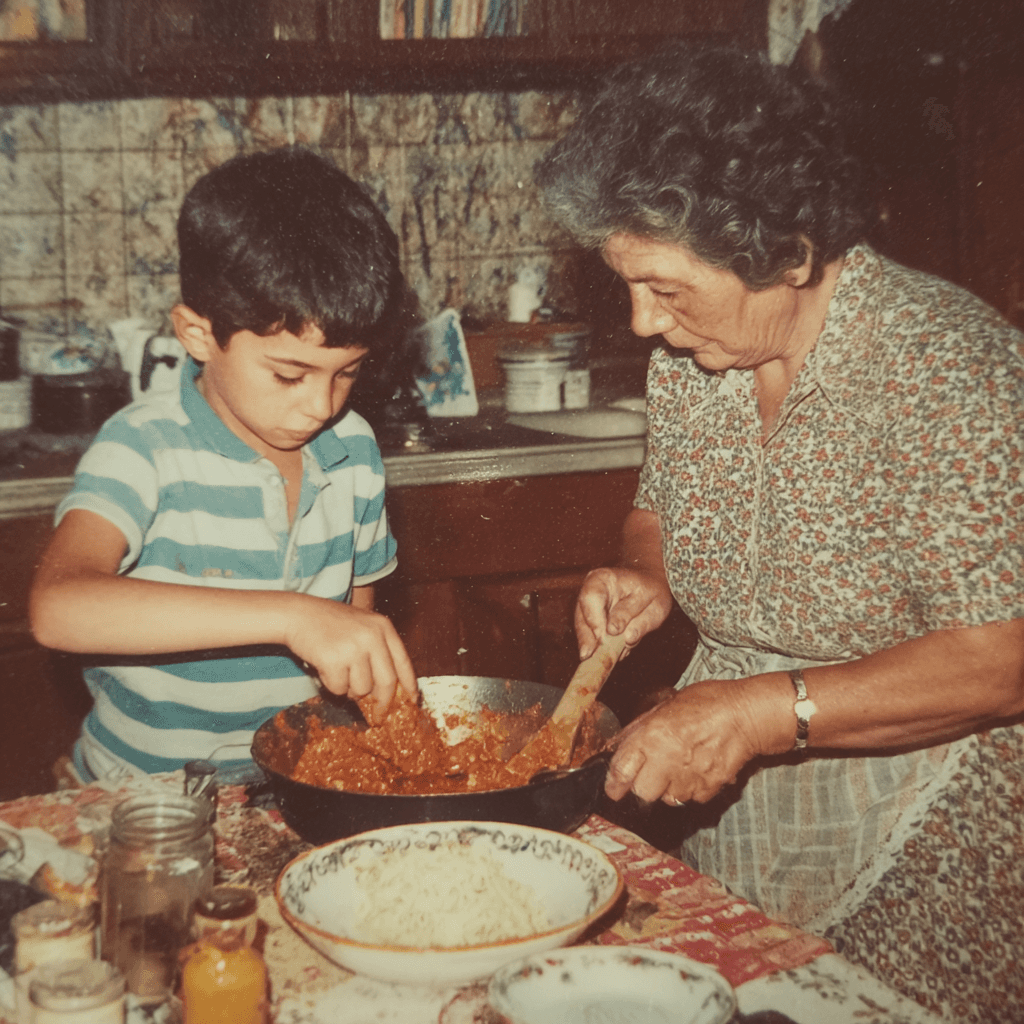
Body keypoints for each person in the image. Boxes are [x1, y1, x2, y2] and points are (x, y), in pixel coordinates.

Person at [536, 43, 1024, 1022]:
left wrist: (758, 712)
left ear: (790, 255)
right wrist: (642, 575)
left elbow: (1003, 654)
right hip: (741, 828)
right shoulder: (696, 355)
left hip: (929, 849)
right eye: (627, 283)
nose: (640, 322)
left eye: (665, 287)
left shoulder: (950, 369)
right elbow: (658, 511)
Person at [29, 146, 418, 783]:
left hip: (291, 791)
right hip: (144, 807)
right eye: (289, 374)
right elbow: (57, 607)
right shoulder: (144, 447)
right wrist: (292, 614)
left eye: (346, 373)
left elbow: (355, 635)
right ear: (198, 335)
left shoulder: (355, 452)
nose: (319, 406)